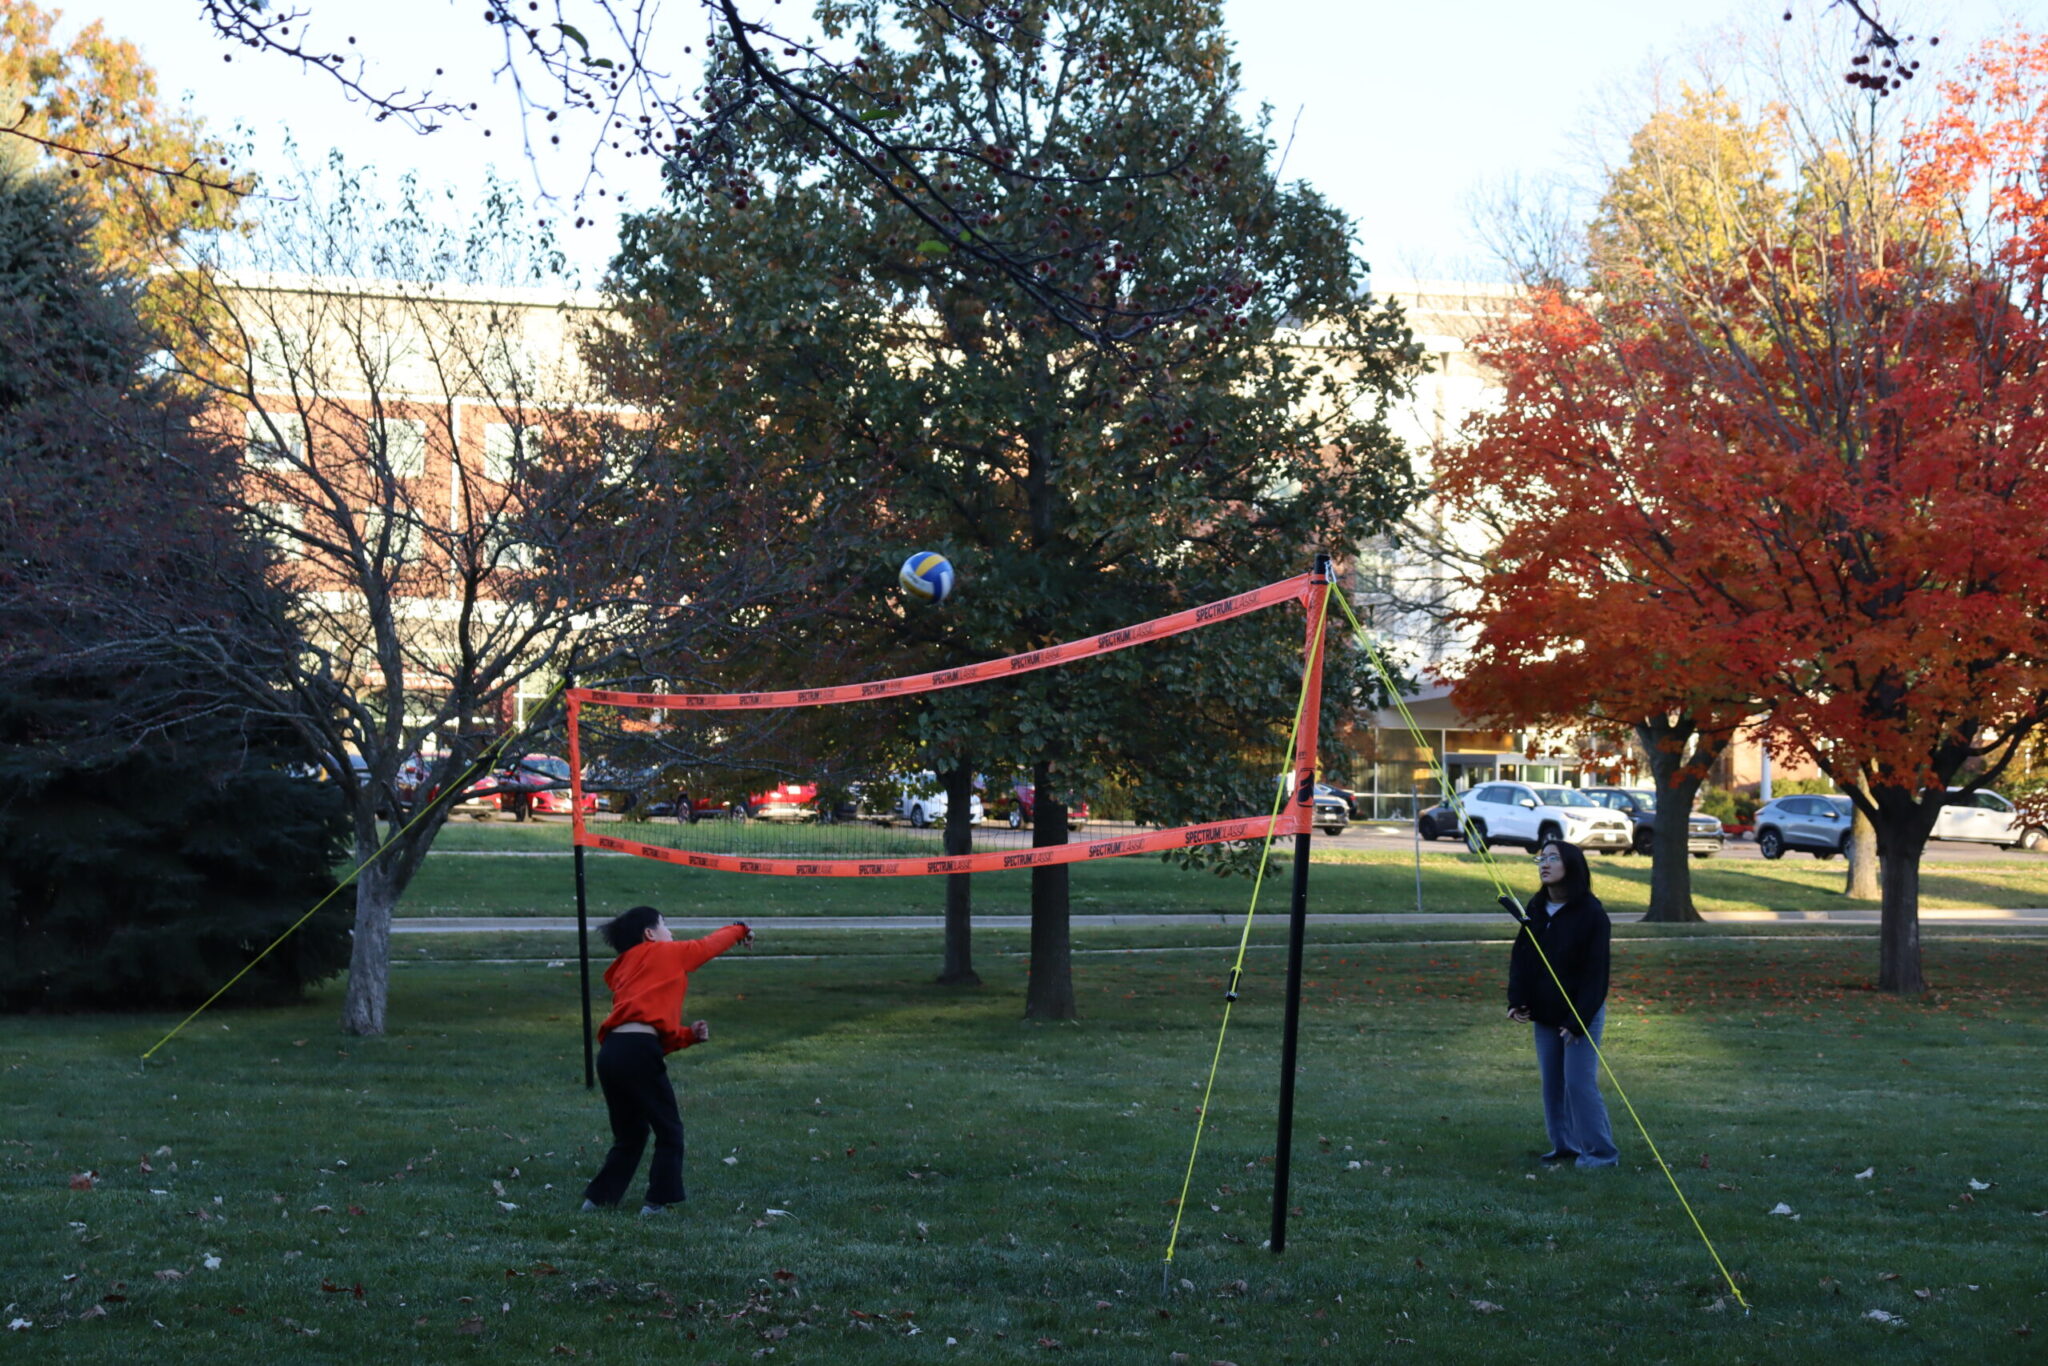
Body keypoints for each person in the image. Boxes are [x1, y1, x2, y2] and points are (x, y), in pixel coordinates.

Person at [581, 907, 752, 1214]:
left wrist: (687, 1036)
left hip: (612, 1053)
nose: (671, 934)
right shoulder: (665, 953)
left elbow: (646, 1028)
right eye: (666, 926)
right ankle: (659, 1202)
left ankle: (597, 1200)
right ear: (649, 934)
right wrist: (740, 928)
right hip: (637, 1049)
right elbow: (706, 946)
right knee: (669, 1129)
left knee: (630, 1134)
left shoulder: (626, 968)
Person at [1505, 838, 1619, 1168]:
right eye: (1541, 858)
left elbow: (1596, 975)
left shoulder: (1592, 914)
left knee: (1579, 1084)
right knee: (1552, 1084)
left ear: (1571, 866)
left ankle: (1601, 1154)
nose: (1545, 863)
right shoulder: (1536, 909)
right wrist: (1518, 1000)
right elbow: (1523, 957)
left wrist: (1577, 1021)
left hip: (1580, 1015)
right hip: (1545, 1014)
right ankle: (1565, 1146)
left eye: (1553, 858)